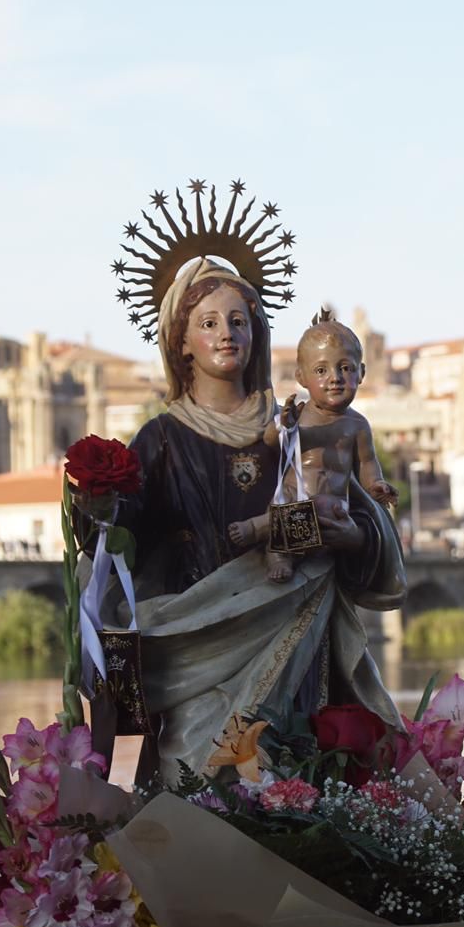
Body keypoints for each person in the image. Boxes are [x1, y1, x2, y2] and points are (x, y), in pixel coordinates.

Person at [82, 253, 405, 777]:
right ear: (181, 342)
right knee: (190, 775)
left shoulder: (298, 427)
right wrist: (95, 507)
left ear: (257, 333)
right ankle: (143, 798)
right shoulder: (161, 439)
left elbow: (361, 520)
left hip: (290, 627)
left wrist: (352, 536)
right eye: (208, 323)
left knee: (288, 777)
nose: (226, 334)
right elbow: (118, 543)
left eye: (238, 321)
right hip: (193, 632)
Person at [228, 308, 397, 582]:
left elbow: (367, 463)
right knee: (293, 513)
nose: (335, 377)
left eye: (346, 368)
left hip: (334, 507)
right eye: (321, 370)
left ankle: (270, 538)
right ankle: (269, 544)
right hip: (295, 496)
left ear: (361, 373)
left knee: (323, 511)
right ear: (301, 377)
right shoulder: (299, 416)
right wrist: (283, 426)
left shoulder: (357, 425)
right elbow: (271, 441)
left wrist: (376, 484)